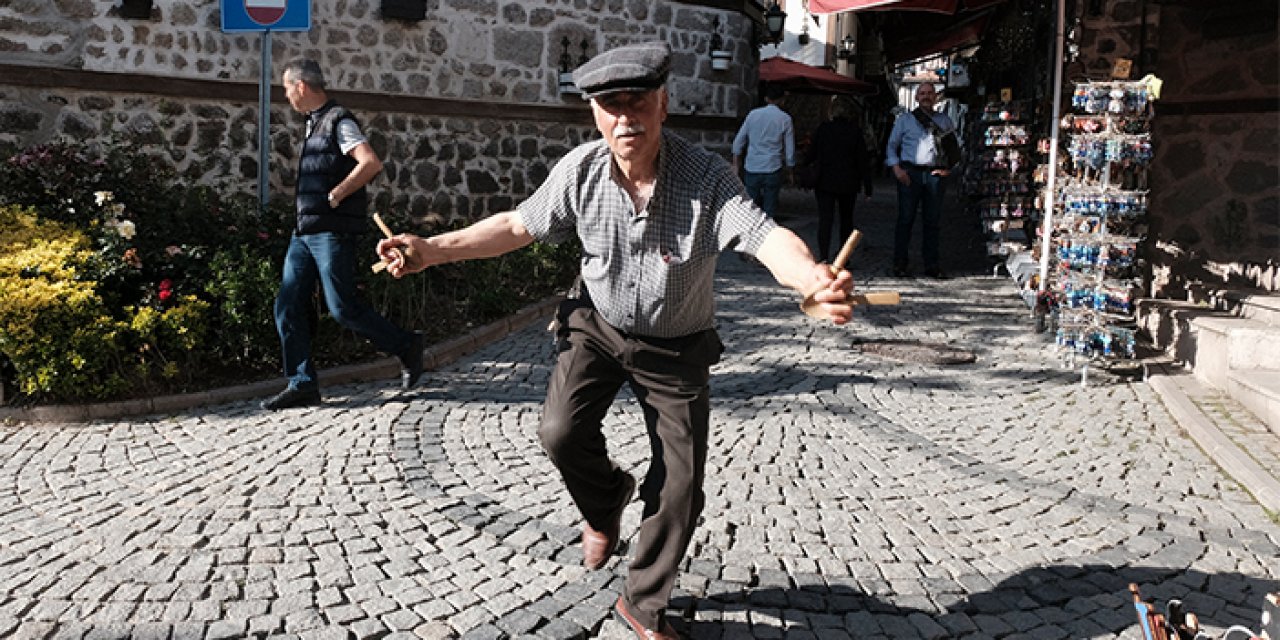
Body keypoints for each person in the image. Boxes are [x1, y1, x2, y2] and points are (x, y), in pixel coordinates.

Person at [375, 41, 855, 640]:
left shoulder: (706, 178)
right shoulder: (580, 170)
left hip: (676, 343)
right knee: (560, 431)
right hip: (597, 325)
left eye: (638, 103)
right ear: (595, 113)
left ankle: (643, 603)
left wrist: (811, 278)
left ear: (663, 104)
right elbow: (517, 226)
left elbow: (765, 237)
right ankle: (607, 502)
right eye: (611, 106)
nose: (625, 118)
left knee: (680, 486)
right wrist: (431, 249)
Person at [261, 58, 423, 411]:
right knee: (288, 305)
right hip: (304, 232)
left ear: (301, 86)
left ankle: (406, 346)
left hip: (331, 231)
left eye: (287, 88)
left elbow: (370, 162)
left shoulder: (338, 121)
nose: (286, 95)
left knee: (342, 308)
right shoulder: (313, 124)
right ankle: (302, 382)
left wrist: (339, 192)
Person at [885, 83, 956, 278]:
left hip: (934, 175)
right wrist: (897, 169)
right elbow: (891, 146)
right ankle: (900, 263)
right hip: (910, 174)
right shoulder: (905, 121)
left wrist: (947, 170)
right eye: (922, 93)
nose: (926, 96)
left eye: (929, 93)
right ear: (916, 98)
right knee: (905, 220)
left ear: (935, 97)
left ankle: (932, 265)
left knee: (932, 222)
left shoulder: (945, 121)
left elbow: (953, 151)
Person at [804, 96, 873, 263]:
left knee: (825, 220)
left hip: (825, 181)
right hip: (848, 182)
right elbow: (862, 160)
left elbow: (811, 154)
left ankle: (824, 257)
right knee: (846, 220)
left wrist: (804, 170)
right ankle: (844, 258)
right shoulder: (855, 132)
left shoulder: (823, 129)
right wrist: (868, 186)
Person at [731, 83, 795, 218]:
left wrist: (736, 166)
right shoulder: (785, 119)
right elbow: (789, 151)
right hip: (773, 166)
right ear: (782, 99)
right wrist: (790, 170)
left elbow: (738, 143)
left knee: (750, 207)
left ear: (766, 98)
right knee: (769, 209)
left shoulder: (753, 115)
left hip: (752, 166)